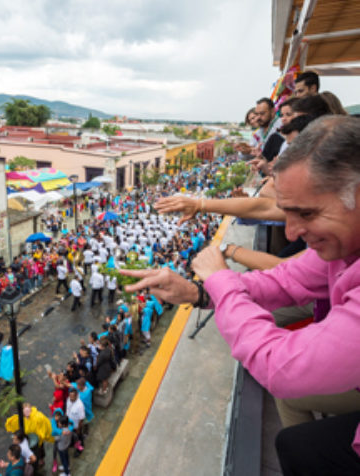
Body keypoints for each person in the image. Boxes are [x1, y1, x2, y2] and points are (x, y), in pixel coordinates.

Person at [123, 116, 360, 474]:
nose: (292, 232)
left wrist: (220, 277)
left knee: (300, 444)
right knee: (295, 442)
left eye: (306, 213)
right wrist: (197, 291)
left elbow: (281, 367)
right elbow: (284, 282)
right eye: (288, 213)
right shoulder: (343, 247)